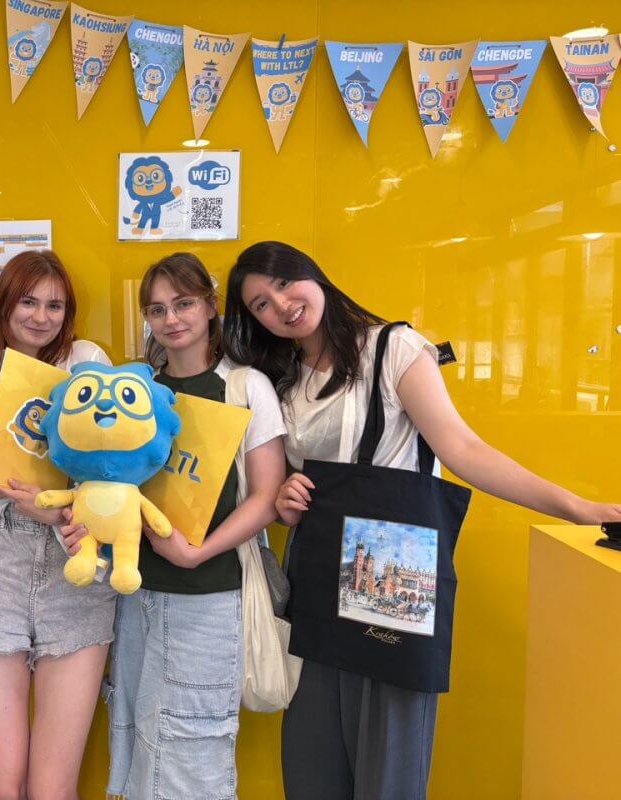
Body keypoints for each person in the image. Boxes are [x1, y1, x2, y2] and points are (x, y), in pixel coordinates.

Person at [223, 240, 621, 800]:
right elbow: (286, 477)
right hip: (315, 576)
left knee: (390, 759)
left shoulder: (393, 347)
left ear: (312, 274)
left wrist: (578, 508)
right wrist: (287, 496)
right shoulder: (282, 380)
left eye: (284, 284)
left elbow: (463, 450)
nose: (281, 304)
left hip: (389, 576)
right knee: (313, 754)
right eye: (261, 303)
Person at [64, 252, 287, 799]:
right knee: (141, 736)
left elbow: (266, 498)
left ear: (210, 305)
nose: (171, 319)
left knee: (194, 743)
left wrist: (198, 551)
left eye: (184, 303)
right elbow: (105, 481)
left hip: (211, 595)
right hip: (134, 594)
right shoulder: (135, 390)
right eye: (157, 309)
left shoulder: (244, 387)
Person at [0, 249, 114, 800]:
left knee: (53, 787)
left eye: (55, 304)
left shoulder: (87, 361)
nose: (41, 316)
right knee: (4, 783)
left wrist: (60, 506)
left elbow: (116, 460)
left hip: (74, 559)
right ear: (4, 306)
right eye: (28, 301)